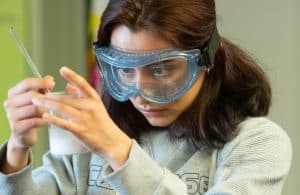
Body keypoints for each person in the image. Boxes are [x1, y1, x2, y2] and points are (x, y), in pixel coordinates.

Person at [0, 0, 292, 194]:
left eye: (161, 70)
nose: (140, 93)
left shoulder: (259, 144)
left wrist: (117, 150)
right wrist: (17, 150)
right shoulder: (86, 143)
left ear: (207, 58)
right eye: (124, 70)